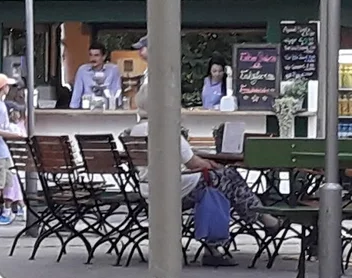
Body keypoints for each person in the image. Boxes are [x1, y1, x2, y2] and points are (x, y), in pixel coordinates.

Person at [129, 35, 280, 254]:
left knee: (217, 185)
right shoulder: (165, 129)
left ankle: (218, 244)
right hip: (172, 190)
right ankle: (263, 220)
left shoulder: (135, 131)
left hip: (148, 190)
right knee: (228, 177)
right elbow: (193, 163)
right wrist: (213, 165)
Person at [0, 73, 24, 225]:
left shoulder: (0, 103)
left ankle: (4, 210)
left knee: (6, 180)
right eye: (7, 85)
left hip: (3, 148)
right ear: (2, 88)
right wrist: (9, 134)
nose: (9, 88)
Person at [69, 41, 122, 109]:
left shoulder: (113, 70)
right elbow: (76, 94)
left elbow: (116, 91)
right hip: (87, 110)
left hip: (107, 110)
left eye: (96, 55)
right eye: (90, 55)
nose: (93, 59)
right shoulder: (82, 70)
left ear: (104, 57)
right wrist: (73, 112)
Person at [3, 107, 27, 221]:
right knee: (13, 181)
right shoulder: (21, 127)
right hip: (20, 162)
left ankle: (8, 209)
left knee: (10, 182)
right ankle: (21, 207)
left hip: (11, 162)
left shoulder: (8, 128)